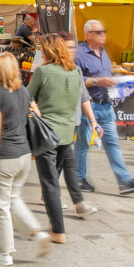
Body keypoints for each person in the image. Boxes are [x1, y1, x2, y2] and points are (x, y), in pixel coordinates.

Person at [0, 52, 52, 265]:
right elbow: (37, 116)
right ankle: (37, 233)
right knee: (12, 199)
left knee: (0, 207)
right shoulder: (23, 91)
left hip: (5, 157)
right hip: (23, 155)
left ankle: (4, 253)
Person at [28, 35, 97, 242]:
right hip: (67, 132)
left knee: (49, 183)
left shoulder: (43, 71)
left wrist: (36, 112)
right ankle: (59, 222)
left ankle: (58, 230)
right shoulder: (74, 72)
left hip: (46, 133)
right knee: (58, 177)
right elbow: (80, 100)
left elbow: (27, 97)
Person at [74, 20, 134, 196]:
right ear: (87, 35)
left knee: (112, 143)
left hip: (105, 103)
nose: (103, 35)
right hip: (88, 104)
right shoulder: (79, 54)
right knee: (83, 143)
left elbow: (106, 74)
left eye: (103, 31)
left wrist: (116, 82)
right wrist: (98, 81)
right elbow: (75, 79)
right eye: (98, 32)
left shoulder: (102, 53)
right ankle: (78, 177)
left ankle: (125, 181)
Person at [60, 31, 100, 217]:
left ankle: (77, 203)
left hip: (72, 123)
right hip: (53, 126)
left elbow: (84, 97)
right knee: (60, 165)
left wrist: (93, 121)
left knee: (65, 165)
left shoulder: (76, 70)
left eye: (74, 47)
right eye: (68, 47)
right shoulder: (46, 70)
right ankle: (76, 204)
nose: (73, 51)